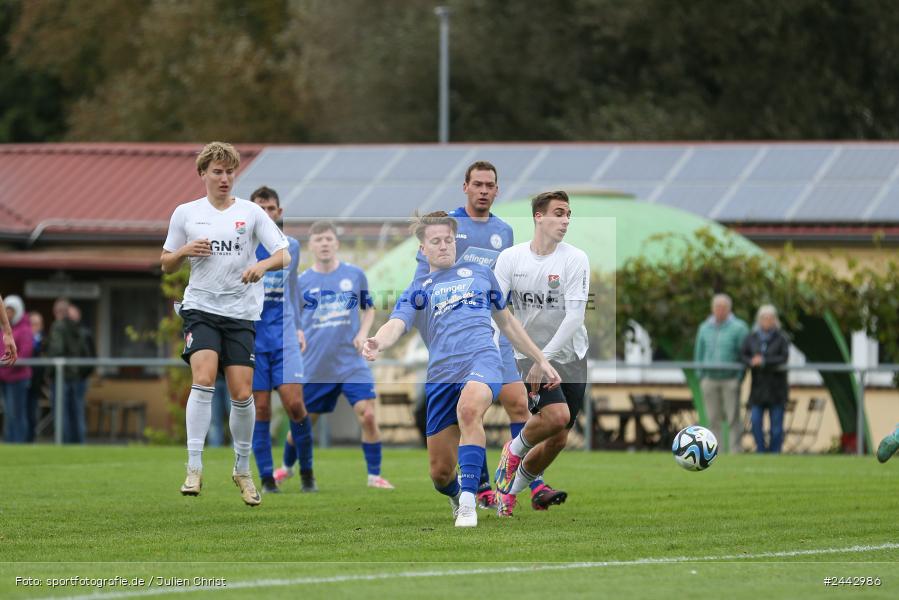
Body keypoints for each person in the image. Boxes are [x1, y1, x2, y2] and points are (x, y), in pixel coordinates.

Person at [363, 211, 560, 528]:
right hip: (442, 375)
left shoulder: (480, 273)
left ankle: (469, 503)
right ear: (423, 249)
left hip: (483, 360)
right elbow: (397, 323)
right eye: (436, 241)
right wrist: (378, 341)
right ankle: (456, 495)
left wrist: (540, 358)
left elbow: (507, 322)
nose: (444, 246)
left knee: (469, 410)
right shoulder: (419, 287)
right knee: (440, 474)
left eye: (449, 240)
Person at [413, 161, 563, 511]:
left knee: (518, 403)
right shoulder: (448, 226)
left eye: (489, 185)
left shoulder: (504, 231)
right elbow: (424, 282)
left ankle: (528, 482)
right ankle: (479, 485)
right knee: (470, 413)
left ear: (497, 191)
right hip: (456, 338)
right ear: (464, 186)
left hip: (495, 332)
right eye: (477, 184)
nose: (483, 190)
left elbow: (502, 285)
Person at [161, 141, 289, 506]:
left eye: (230, 171)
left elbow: (284, 253)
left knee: (242, 393)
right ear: (203, 174)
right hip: (200, 308)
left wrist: (261, 265)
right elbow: (166, 262)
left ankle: (242, 469)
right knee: (203, 378)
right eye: (217, 171)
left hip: (241, 313)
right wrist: (185, 251)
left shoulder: (250, 213)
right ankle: (194, 466)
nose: (224, 178)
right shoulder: (186, 213)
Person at [491, 191, 591, 518]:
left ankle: (510, 493)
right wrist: (498, 351)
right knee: (556, 416)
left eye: (568, 215)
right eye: (558, 213)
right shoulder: (511, 258)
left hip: (570, 354)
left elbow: (575, 316)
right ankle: (515, 448)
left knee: (559, 437)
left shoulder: (575, 259)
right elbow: (498, 310)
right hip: (529, 355)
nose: (565, 221)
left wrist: (545, 358)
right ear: (538, 216)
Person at [274, 220, 393, 492]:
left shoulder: (354, 275)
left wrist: (363, 332)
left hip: (351, 363)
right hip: (316, 365)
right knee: (303, 424)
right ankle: (287, 467)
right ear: (311, 246)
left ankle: (374, 475)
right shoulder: (302, 281)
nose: (324, 244)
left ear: (336, 243)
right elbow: (290, 317)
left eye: (329, 239)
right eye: (319, 240)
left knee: (368, 415)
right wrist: (297, 333)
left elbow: (369, 309)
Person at [249, 186, 308, 494]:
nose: (266, 214)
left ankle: (306, 469)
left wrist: (299, 327)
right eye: (260, 208)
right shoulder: (242, 248)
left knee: (295, 404)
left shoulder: (291, 247)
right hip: (253, 338)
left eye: (271, 208)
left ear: (279, 212)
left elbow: (293, 289)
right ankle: (267, 477)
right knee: (260, 409)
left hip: (284, 334)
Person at [694, 293, 749, 454]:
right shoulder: (704, 328)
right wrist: (701, 375)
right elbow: (699, 353)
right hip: (709, 379)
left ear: (729, 309)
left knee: (733, 417)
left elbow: (743, 354)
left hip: (730, 379)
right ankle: (715, 451)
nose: (719, 311)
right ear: (712, 309)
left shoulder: (739, 328)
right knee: (712, 418)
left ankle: (735, 451)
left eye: (723, 308)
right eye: (717, 307)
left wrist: (739, 377)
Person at [740, 305, 790, 453]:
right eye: (764, 318)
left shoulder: (781, 338)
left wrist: (764, 361)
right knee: (755, 422)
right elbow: (743, 355)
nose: (767, 321)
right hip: (758, 390)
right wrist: (751, 361)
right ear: (759, 320)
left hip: (777, 389)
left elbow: (783, 357)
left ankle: (775, 453)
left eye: (770, 318)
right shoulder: (752, 338)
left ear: (775, 320)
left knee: (776, 427)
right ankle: (761, 451)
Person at [46, 298, 88, 444]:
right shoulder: (77, 327)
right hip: (76, 376)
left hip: (62, 376)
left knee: (61, 412)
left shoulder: (58, 326)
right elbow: (84, 351)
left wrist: (49, 372)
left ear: (56, 311)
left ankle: (63, 443)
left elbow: (57, 351)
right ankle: (79, 443)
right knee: (77, 412)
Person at [0, 295, 33, 442]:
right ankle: (9, 441)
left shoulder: (25, 329)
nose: (7, 313)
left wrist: (7, 366)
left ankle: (19, 442)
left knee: (17, 413)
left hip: (18, 377)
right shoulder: (4, 329)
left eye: (10, 310)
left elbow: (25, 352)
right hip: (4, 376)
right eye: (6, 310)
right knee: (8, 413)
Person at [26, 311, 46, 442]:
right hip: (21, 380)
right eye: (31, 323)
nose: (34, 326)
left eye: (36, 324)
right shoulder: (22, 338)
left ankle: (30, 439)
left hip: (36, 383)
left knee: (32, 412)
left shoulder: (45, 341)